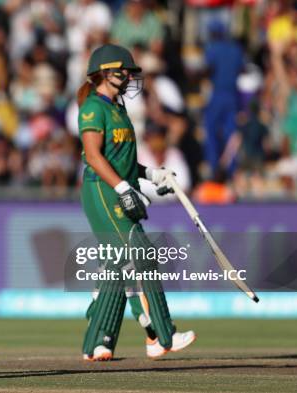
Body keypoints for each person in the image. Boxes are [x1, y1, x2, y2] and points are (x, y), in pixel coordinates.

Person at [77, 44, 196, 361]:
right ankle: (163, 334)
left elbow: (124, 160)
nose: (129, 75)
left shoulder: (119, 108)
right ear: (104, 72)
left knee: (116, 267)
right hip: (101, 191)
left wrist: (151, 174)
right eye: (123, 70)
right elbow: (93, 156)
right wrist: (122, 189)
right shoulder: (93, 108)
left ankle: (96, 342)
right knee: (140, 252)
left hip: (117, 187)